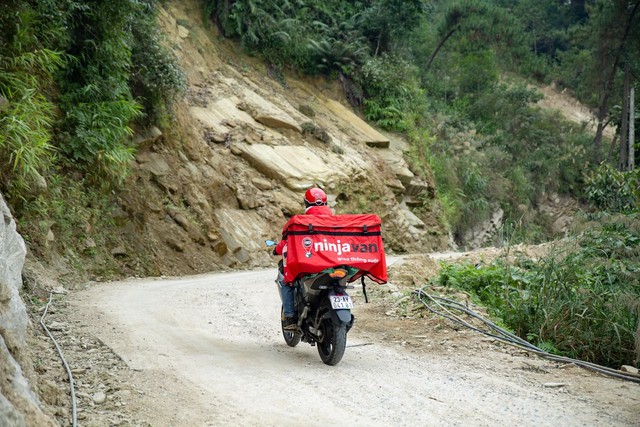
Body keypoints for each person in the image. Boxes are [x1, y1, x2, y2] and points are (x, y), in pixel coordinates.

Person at [273, 187, 333, 330]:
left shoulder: (300, 222)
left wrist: (277, 249)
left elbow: (288, 243)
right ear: (325, 203)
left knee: (287, 281)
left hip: (310, 266)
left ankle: (290, 318)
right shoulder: (336, 222)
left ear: (306, 203)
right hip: (334, 265)